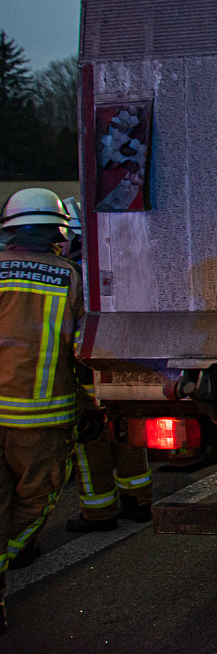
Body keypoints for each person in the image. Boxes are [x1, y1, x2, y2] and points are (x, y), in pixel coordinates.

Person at [0, 188, 86, 634]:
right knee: (35, 501)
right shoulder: (70, 276)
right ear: (57, 231)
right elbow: (81, 350)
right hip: (42, 418)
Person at [60, 199, 153, 532]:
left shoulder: (74, 276)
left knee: (92, 444)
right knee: (128, 435)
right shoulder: (124, 263)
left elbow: (75, 337)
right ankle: (139, 500)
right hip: (127, 370)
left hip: (90, 377)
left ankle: (99, 514)